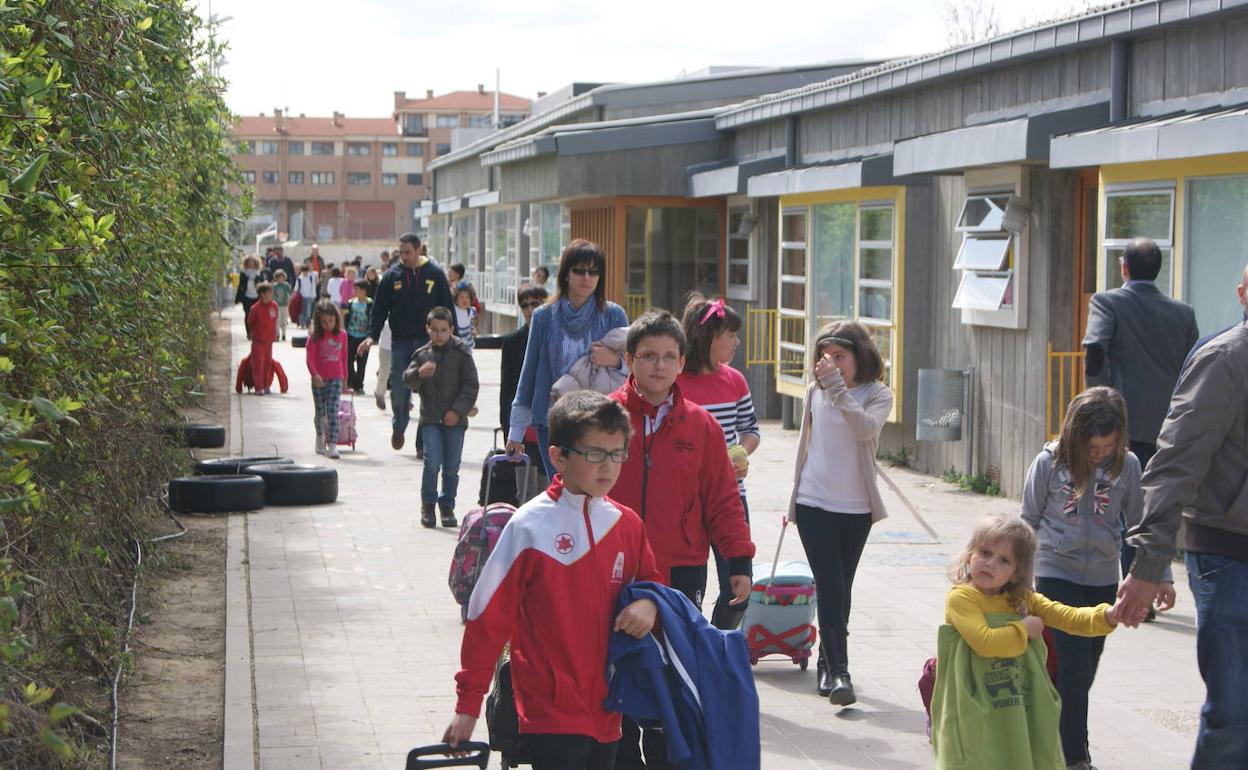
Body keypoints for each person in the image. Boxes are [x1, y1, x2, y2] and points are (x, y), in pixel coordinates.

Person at [443, 391, 662, 770]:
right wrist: (468, 704)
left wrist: (650, 604)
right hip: (548, 707)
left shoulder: (627, 524)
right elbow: (486, 618)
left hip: (610, 707)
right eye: (594, 454)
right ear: (559, 456)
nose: (608, 467)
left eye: (617, 453)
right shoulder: (530, 525)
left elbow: (651, 583)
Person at [608, 310, 755, 770]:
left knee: (670, 672)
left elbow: (723, 501)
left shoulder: (702, 426)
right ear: (629, 359)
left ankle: (666, 753)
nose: (658, 366)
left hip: (681, 568)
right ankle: (619, 751)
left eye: (669, 357)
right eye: (648, 356)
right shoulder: (605, 416)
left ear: (682, 361)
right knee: (615, 665)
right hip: (613, 567)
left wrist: (738, 561)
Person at [1117, 318, 1248, 769]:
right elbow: (1174, 465)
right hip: (1229, 554)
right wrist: (1149, 564)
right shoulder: (1226, 360)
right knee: (1235, 716)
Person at [1020, 387, 1173, 770]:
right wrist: (1019, 581)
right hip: (1054, 573)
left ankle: (1048, 739)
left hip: (1103, 581)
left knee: (1084, 670)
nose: (1100, 453)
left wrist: (1162, 575)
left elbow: (1141, 525)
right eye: (1092, 446)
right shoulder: (1048, 463)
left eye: (1107, 445)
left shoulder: (1130, 466)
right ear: (1075, 435)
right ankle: (1075, 757)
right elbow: (1026, 522)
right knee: (1074, 668)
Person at [933, 514, 1120, 769]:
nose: (990, 564)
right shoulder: (962, 598)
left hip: (1013, 704)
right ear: (969, 555)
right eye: (985, 552)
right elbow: (985, 642)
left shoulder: (1022, 599)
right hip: (972, 703)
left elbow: (1066, 616)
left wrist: (1108, 615)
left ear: (1016, 572)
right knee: (977, 756)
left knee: (1015, 755)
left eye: (1004, 560)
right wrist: (1024, 628)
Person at [1082, 236, 1198, 587]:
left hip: (1119, 424)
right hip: (1167, 425)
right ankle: (1147, 580)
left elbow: (1096, 351)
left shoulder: (1107, 302)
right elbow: (1194, 365)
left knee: (1115, 502)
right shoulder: (1183, 314)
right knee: (1149, 507)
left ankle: (1122, 582)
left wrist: (1095, 402)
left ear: (1123, 267)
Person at [787, 321, 892, 706]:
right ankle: (841, 672)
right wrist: (792, 497)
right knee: (829, 585)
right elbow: (805, 444)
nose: (830, 363)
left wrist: (838, 389)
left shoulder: (877, 394)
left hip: (856, 508)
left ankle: (825, 665)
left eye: (840, 357)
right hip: (814, 502)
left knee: (841, 589)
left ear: (858, 357)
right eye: (825, 356)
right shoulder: (814, 391)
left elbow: (865, 430)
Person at [506, 240, 628, 477]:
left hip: (600, 421)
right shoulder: (544, 316)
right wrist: (516, 431)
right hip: (553, 422)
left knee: (595, 493)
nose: (586, 277)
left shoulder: (613, 315)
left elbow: (634, 367)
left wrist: (614, 360)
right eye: (579, 270)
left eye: (594, 272)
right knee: (563, 492)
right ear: (565, 274)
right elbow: (529, 372)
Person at [677, 295, 760, 631]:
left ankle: (716, 640)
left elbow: (751, 430)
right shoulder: (675, 381)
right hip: (686, 499)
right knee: (688, 585)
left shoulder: (735, 380)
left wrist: (740, 453)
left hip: (729, 495)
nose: (737, 341)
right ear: (711, 335)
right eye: (732, 334)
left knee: (738, 588)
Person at [357, 232, 454, 453]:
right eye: (401, 252)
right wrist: (372, 336)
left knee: (430, 393)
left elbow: (446, 307)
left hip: (429, 343)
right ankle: (399, 425)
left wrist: (452, 338)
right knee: (400, 390)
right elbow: (380, 309)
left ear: (419, 250)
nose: (404, 256)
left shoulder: (435, 274)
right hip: (400, 342)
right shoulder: (392, 276)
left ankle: (423, 444)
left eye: (408, 252)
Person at [403, 307, 479, 529]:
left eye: (443, 330)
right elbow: (407, 380)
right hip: (430, 420)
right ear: (428, 330)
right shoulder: (422, 354)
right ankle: (428, 505)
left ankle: (447, 505)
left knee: (451, 466)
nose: (439, 334)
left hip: (456, 421)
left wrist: (457, 411)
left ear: (451, 330)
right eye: (434, 330)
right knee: (431, 463)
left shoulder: (462, 353)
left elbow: (471, 385)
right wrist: (419, 374)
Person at [501, 286, 548, 471]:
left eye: (535, 304)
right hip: (523, 424)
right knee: (525, 489)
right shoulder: (512, 341)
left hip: (549, 422)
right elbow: (507, 390)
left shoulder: (556, 336)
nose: (530, 310)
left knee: (549, 485)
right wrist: (509, 432)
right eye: (524, 305)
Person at [305, 300, 348, 459]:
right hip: (319, 379)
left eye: (331, 321)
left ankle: (333, 444)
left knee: (332, 410)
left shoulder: (342, 335)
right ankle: (319, 438)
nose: (328, 325)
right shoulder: (314, 337)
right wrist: (315, 374)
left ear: (336, 319)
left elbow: (344, 357)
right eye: (323, 322)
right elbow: (310, 358)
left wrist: (345, 378)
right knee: (320, 411)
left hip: (336, 377)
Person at [245, 282, 280, 395]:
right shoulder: (255, 308)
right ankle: (258, 387)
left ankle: (266, 385)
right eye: (269, 292)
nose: (271, 294)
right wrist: (253, 333)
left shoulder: (274, 305)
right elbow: (250, 322)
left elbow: (276, 321)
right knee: (258, 365)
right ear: (262, 294)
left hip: (269, 341)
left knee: (267, 364)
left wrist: (276, 332)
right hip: (258, 341)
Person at [344, 279, 372, 392]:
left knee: (362, 362)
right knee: (348, 360)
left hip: (363, 337)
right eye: (354, 289)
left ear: (364, 291)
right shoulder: (351, 303)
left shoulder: (370, 303)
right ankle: (351, 381)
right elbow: (346, 318)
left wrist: (371, 335)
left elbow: (372, 319)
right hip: (351, 335)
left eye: (358, 289)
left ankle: (359, 385)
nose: (355, 291)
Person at [235, 255, 263, 335]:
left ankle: (256, 331)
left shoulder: (258, 273)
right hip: (246, 297)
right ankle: (249, 332)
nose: (251, 263)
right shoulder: (244, 274)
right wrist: (238, 298)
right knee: (248, 315)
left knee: (257, 315)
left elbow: (261, 284)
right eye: (249, 262)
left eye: (253, 262)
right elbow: (240, 286)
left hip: (256, 296)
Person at [373, 317, 391, 411]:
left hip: (401, 344)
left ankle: (407, 399)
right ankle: (379, 393)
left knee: (404, 372)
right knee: (384, 372)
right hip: (385, 346)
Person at [452, 285, 478, 351]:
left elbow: (473, 322)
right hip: (456, 347)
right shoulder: (454, 311)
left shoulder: (472, 311)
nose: (465, 300)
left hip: (469, 346)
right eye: (462, 297)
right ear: (456, 299)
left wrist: (474, 329)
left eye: (467, 297)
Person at [271, 269, 292, 341]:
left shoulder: (286, 285)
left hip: (285, 305)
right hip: (277, 305)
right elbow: (272, 295)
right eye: (279, 277)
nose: (280, 279)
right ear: (276, 278)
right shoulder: (274, 286)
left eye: (282, 277)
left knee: (284, 321)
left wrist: (289, 301)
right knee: (277, 320)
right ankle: (277, 334)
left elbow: (290, 294)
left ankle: (284, 334)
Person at [296, 263, 319, 328]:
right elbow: (296, 288)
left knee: (308, 311)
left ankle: (307, 323)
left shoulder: (311, 278)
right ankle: (301, 323)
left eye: (306, 271)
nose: (305, 273)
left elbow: (313, 287)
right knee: (301, 311)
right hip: (301, 297)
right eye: (304, 271)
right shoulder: (299, 278)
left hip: (309, 297)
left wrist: (313, 296)